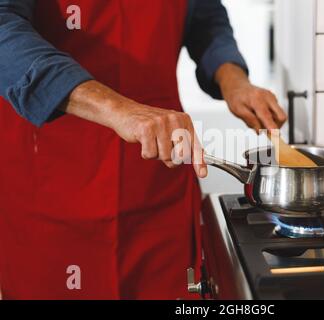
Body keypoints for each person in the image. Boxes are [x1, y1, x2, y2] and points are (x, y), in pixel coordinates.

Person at [0, 0, 286, 299]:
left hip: (159, 189)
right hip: (51, 189)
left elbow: (205, 15)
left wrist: (233, 80)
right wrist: (117, 109)